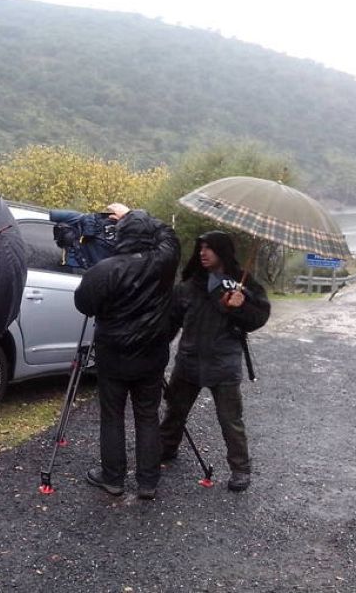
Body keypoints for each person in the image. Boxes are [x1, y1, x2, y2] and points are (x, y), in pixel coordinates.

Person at [74, 203, 180, 500]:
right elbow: (169, 234)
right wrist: (132, 214)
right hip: (151, 356)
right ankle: (148, 482)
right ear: (148, 234)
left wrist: (128, 218)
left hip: (113, 357)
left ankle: (113, 478)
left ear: (119, 235)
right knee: (147, 416)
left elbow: (83, 304)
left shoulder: (104, 270)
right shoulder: (164, 262)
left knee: (112, 416)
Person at [159, 231, 270, 492]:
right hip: (189, 360)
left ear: (223, 251)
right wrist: (157, 347)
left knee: (230, 420)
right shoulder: (189, 286)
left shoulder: (243, 285)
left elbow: (257, 319)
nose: (203, 253)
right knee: (175, 410)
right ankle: (166, 448)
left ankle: (240, 469)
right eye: (201, 247)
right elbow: (171, 322)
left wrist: (241, 307)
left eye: (209, 248)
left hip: (223, 363)